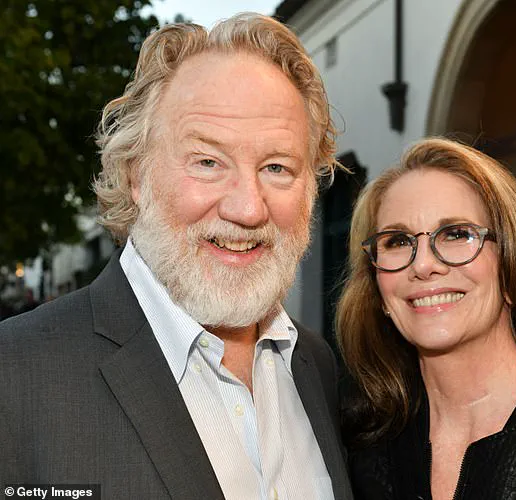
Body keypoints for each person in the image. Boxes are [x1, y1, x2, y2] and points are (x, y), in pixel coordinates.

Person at [0, 14, 353, 500]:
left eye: (277, 167)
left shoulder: (318, 367)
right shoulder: (15, 374)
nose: (248, 209)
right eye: (208, 162)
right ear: (136, 175)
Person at [336, 137, 516, 499]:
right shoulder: (358, 444)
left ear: (512, 267)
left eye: (456, 234)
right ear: (378, 287)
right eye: (397, 241)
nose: (424, 265)